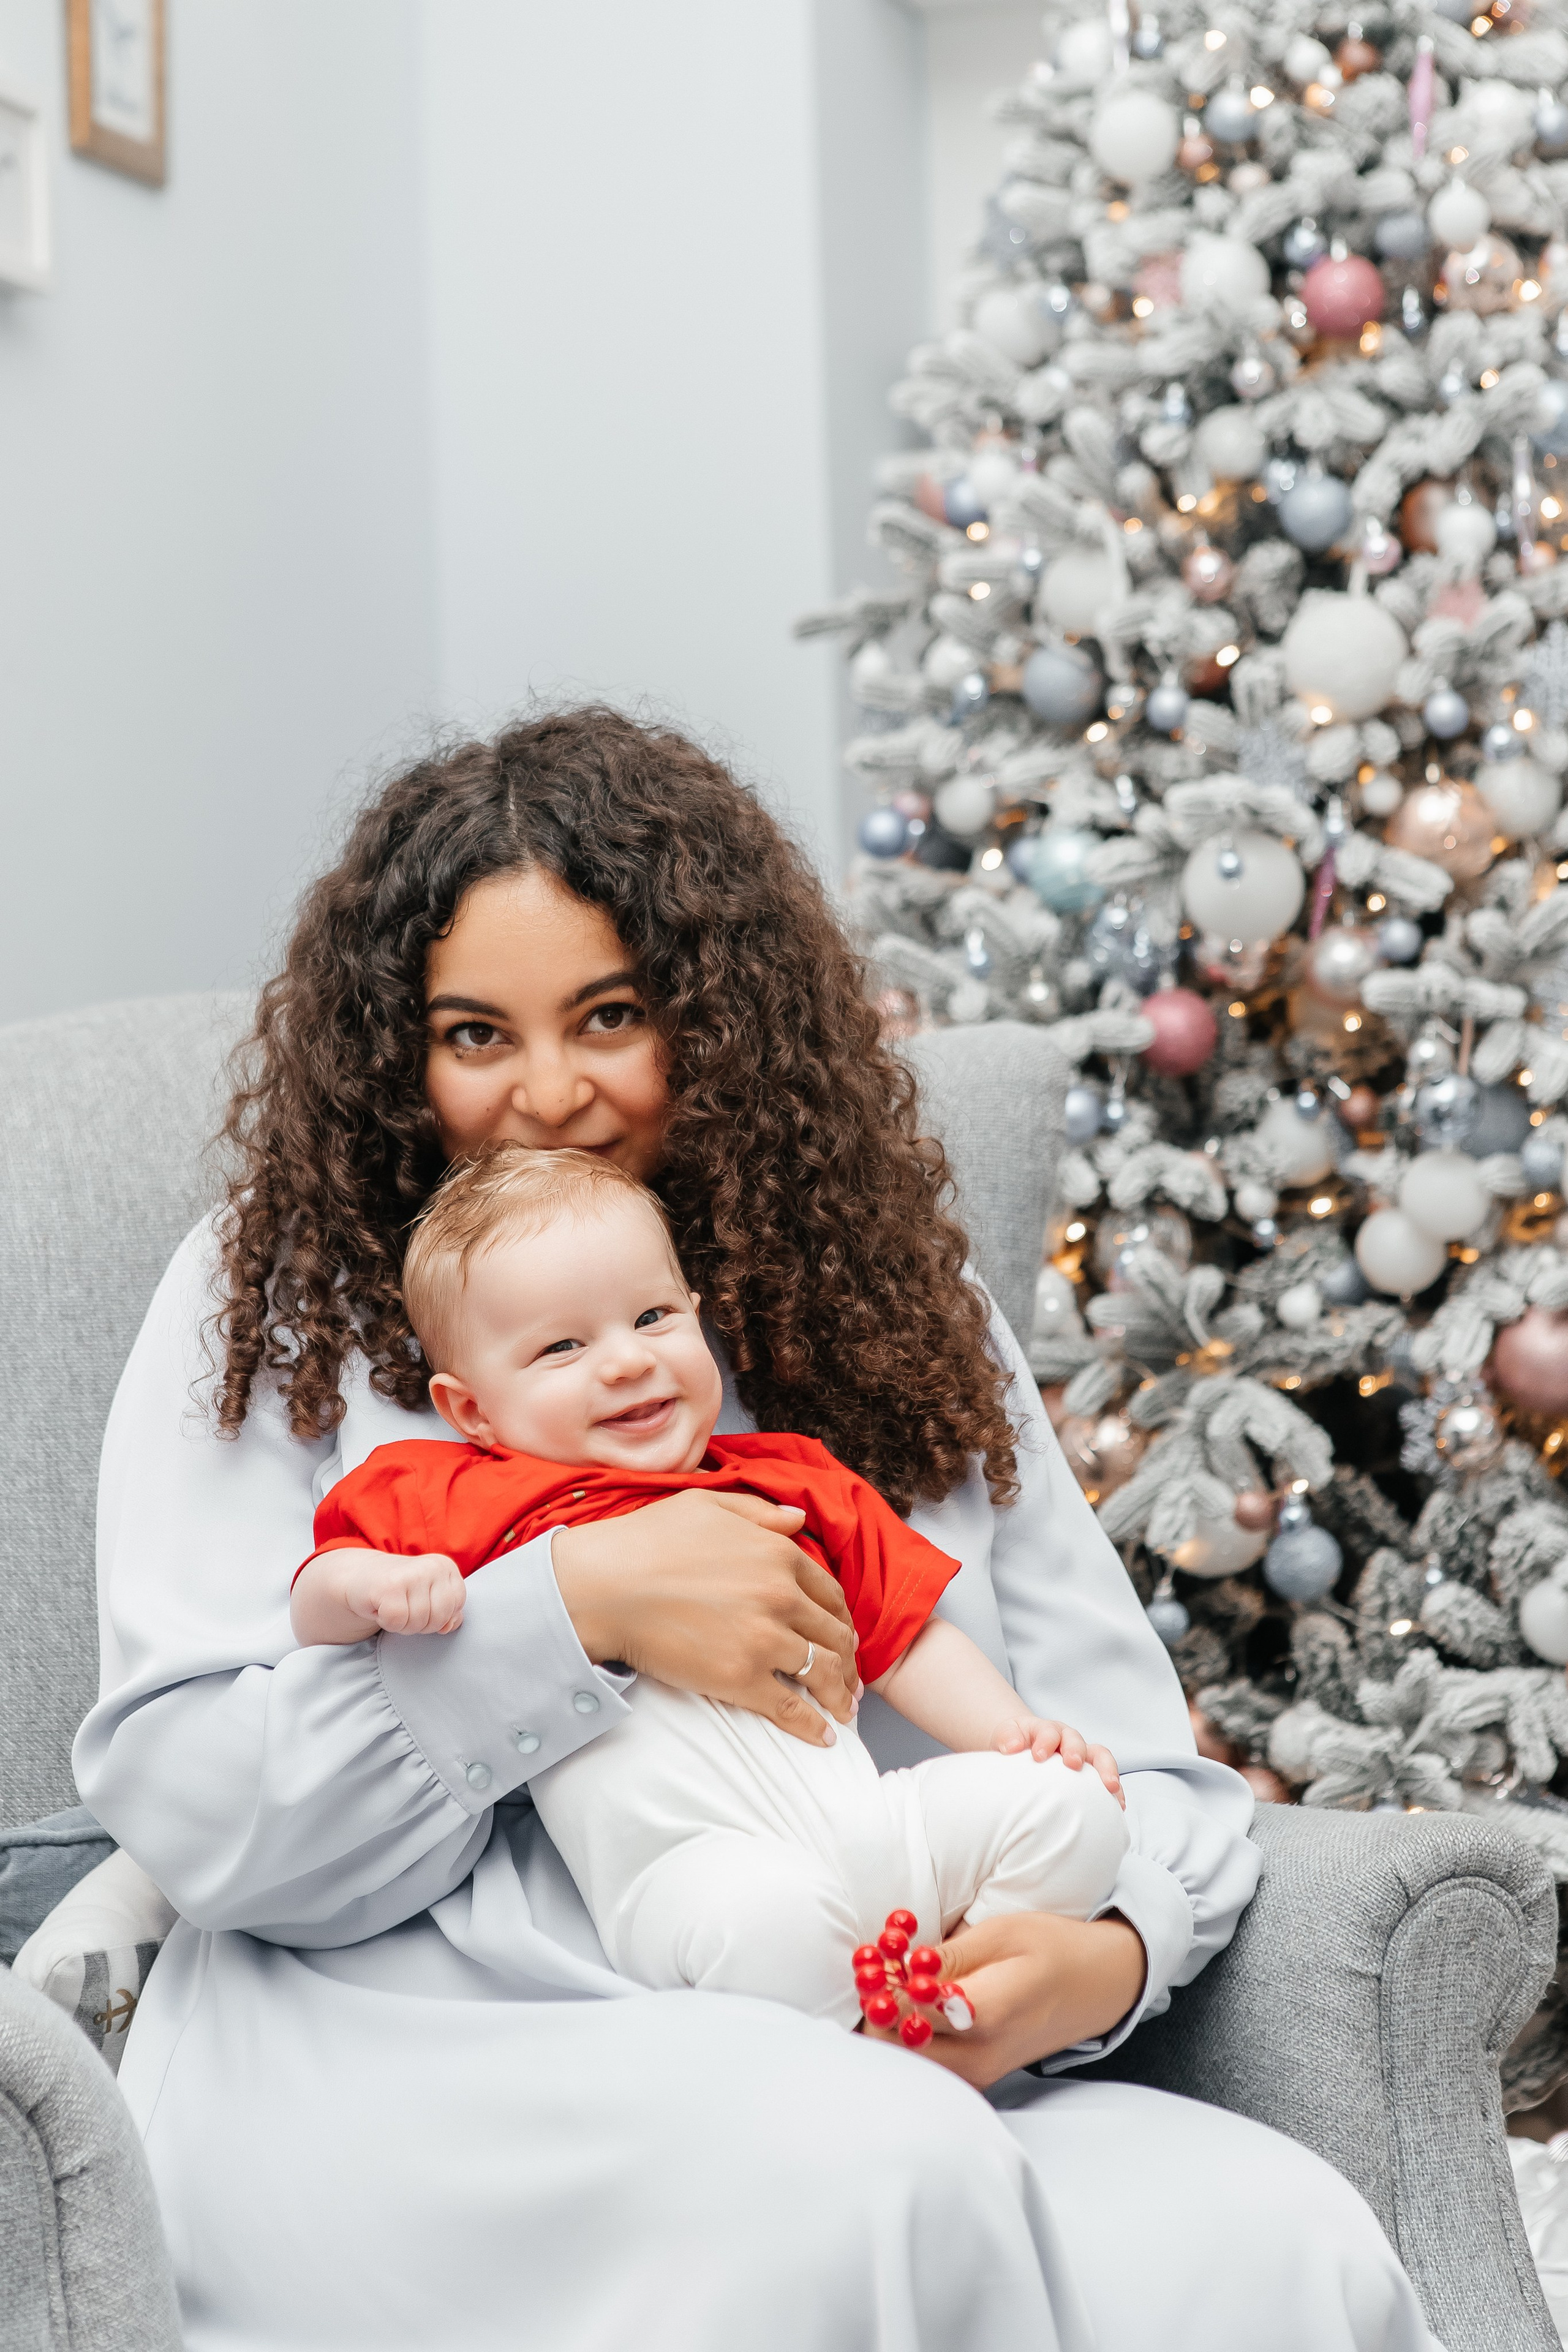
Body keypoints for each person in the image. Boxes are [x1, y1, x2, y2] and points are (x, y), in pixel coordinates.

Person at [76, 709, 1440, 2350]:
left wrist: (1105, 1957)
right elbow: (204, 1816)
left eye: (610, 1017)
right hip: (396, 2056)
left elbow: (1130, 1761)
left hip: (861, 2028)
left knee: (1277, 2242)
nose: (550, 1095)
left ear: (711, 1020)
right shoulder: (277, 1301)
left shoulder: (876, 1296)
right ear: (397, 1055)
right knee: (877, 2177)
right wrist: (573, 1607)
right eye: (475, 1035)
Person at [290, 1142, 1131, 2029]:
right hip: (697, 1873)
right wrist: (375, 1587)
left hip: (878, 1832)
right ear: (472, 1410)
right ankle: (873, 2050)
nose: (624, 1361)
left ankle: (941, 1986)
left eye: (652, 1317)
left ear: (698, 1317)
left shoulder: (792, 1482)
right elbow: (316, 1597)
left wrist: (1013, 1734)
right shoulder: (454, 1493)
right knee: (772, 1928)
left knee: (1075, 1811)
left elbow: (909, 1634)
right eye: (563, 1346)